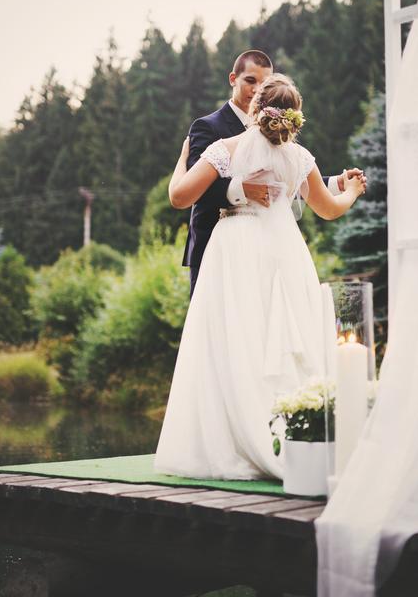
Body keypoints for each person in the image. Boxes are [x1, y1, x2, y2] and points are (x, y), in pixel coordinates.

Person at [154, 74, 365, 480]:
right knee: (284, 338)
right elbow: (328, 209)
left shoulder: (225, 149)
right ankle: (301, 438)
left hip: (235, 247)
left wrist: (182, 160)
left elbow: (179, 197)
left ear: (254, 108)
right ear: (295, 117)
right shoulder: (300, 157)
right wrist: (352, 190)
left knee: (235, 339)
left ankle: (235, 439)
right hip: (285, 250)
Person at [183, 50, 366, 296]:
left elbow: (279, 183)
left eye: (263, 83)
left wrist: (336, 183)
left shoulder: (284, 142)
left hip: (270, 247)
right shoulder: (207, 127)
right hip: (216, 249)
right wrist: (242, 189)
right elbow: (197, 189)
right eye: (250, 80)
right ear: (233, 79)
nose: (256, 89)